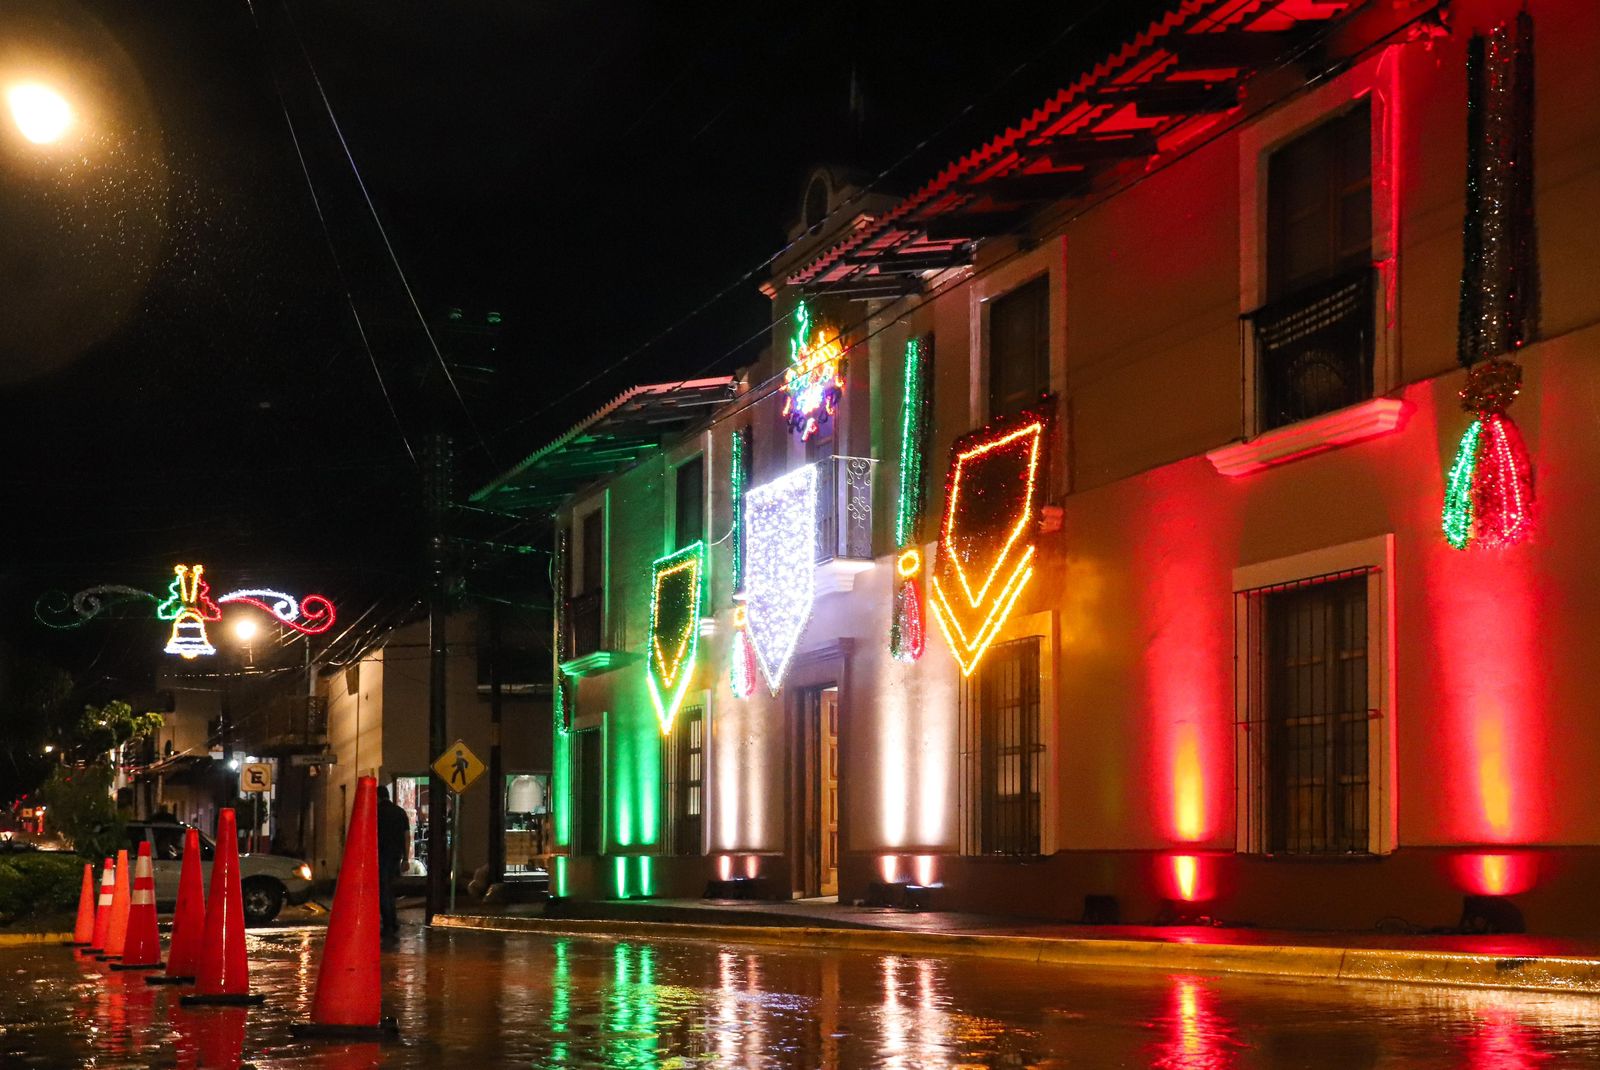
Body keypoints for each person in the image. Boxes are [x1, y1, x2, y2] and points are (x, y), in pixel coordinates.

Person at [376, 785, 410, 940]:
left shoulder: (376, 813)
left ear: (377, 797)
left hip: (381, 855)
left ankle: (389, 923)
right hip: (396, 855)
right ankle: (393, 921)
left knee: (383, 890)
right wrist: (406, 858)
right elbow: (406, 836)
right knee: (390, 888)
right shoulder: (400, 812)